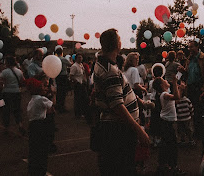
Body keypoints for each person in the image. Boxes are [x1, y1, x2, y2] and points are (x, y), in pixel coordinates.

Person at [93, 29, 149, 175]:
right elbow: (117, 105)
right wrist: (138, 130)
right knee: (122, 168)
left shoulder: (104, 63)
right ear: (117, 44)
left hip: (113, 127)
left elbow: (115, 92)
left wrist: (137, 101)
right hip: (118, 130)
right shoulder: (110, 70)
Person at [178, 40, 204, 136]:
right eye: (188, 47)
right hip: (190, 87)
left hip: (200, 87)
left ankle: (202, 132)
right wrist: (183, 71)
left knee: (201, 110)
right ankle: (196, 132)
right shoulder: (189, 59)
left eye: (191, 47)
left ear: (197, 47)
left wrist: (203, 89)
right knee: (193, 111)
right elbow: (188, 73)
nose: (189, 49)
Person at [152, 76, 185, 175]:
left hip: (166, 123)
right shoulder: (164, 94)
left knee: (166, 144)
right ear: (162, 85)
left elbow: (177, 100)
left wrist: (180, 89)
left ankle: (163, 165)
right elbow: (176, 97)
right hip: (166, 124)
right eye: (165, 80)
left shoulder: (165, 94)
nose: (167, 81)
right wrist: (175, 83)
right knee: (172, 145)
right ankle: (173, 167)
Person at [26, 78, 53, 176]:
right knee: (42, 150)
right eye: (42, 86)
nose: (44, 88)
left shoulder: (32, 100)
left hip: (33, 126)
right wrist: (52, 94)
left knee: (34, 150)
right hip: (40, 126)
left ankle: (33, 170)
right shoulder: (41, 99)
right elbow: (51, 107)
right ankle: (40, 171)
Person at [0, 56, 25, 135]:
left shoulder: (4, 72)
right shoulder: (19, 71)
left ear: (7, 63)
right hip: (17, 92)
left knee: (5, 110)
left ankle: (6, 128)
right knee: (17, 109)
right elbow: (23, 81)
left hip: (6, 93)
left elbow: (1, 84)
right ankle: (20, 125)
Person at [69, 53, 89, 119]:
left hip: (82, 83)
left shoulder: (81, 65)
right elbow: (71, 76)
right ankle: (78, 114)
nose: (80, 59)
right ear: (76, 58)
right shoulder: (74, 66)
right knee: (78, 99)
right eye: (79, 57)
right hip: (78, 84)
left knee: (84, 99)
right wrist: (76, 82)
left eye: (81, 57)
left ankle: (83, 112)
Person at [55, 47, 71, 113]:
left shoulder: (55, 59)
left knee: (59, 91)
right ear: (62, 52)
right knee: (63, 92)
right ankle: (62, 106)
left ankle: (58, 106)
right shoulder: (63, 59)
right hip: (63, 76)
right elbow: (70, 64)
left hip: (57, 76)